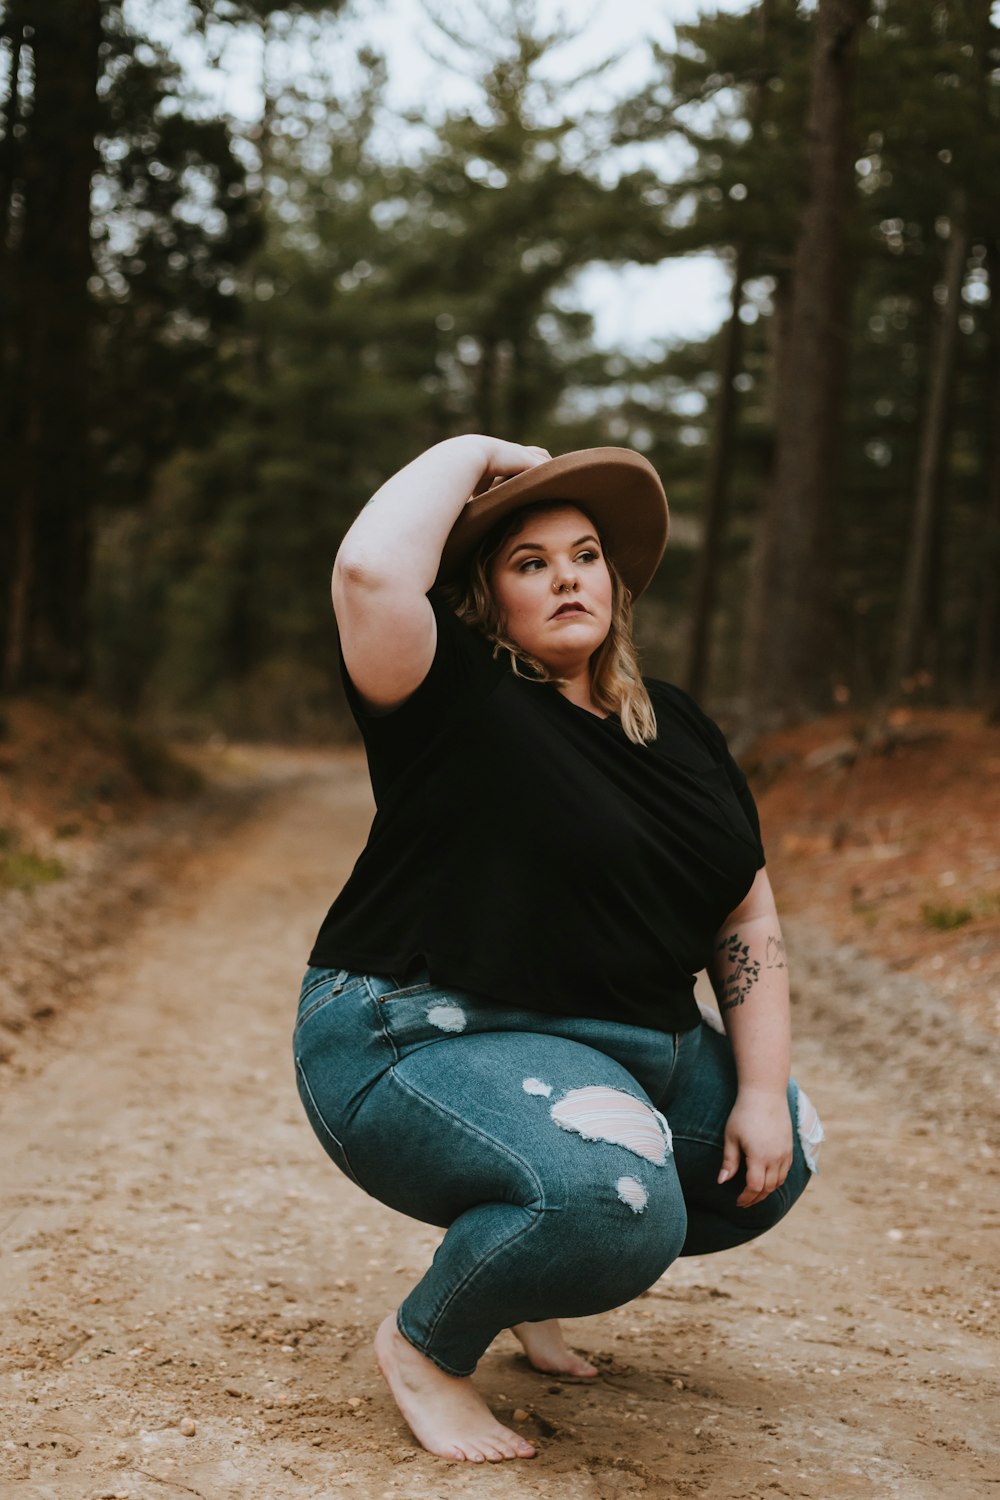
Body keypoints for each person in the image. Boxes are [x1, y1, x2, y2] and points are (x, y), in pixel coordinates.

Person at [293, 435, 823, 1464]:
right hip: (413, 1031)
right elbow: (367, 571)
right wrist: (475, 451)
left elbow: (743, 919)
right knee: (611, 1199)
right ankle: (426, 1348)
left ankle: (530, 1266)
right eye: (527, 562)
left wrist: (759, 1089)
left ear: (613, 582)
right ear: (487, 597)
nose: (565, 575)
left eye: (582, 553)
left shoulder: (676, 724)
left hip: (625, 1050)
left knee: (786, 1147)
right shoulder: (449, 693)